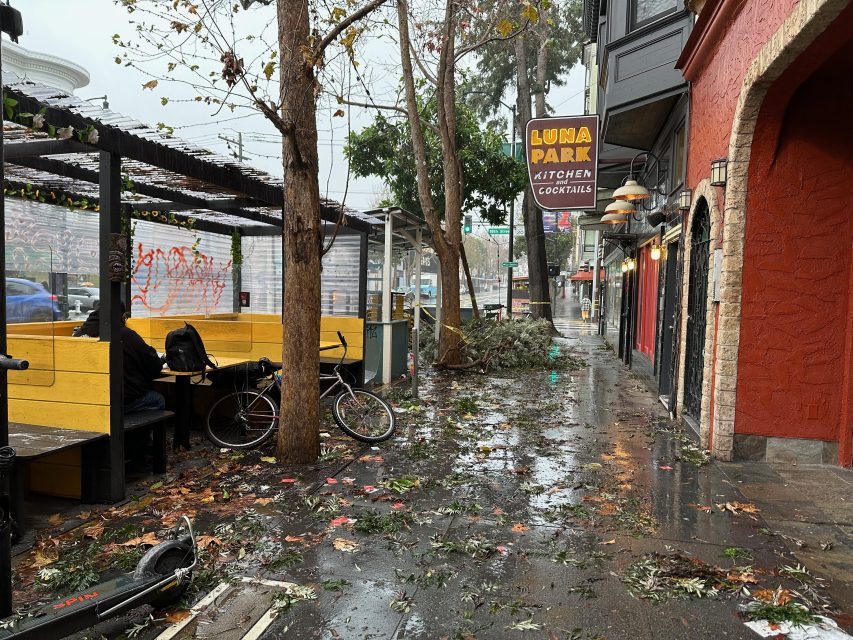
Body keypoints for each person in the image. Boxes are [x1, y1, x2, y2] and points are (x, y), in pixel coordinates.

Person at [73, 306, 165, 413]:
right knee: (158, 399)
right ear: (121, 317)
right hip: (120, 401)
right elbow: (154, 365)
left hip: (89, 400)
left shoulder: (79, 335)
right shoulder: (125, 334)